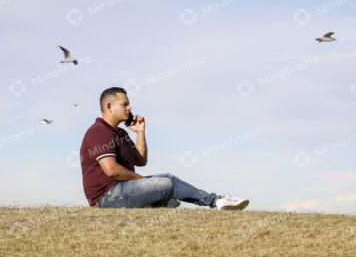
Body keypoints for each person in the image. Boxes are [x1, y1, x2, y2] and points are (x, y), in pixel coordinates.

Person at [80, 87, 249, 210]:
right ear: (109, 106)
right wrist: (140, 180)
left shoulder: (121, 133)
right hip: (106, 198)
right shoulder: (98, 131)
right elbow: (112, 170)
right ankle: (206, 201)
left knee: (168, 179)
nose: (129, 108)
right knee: (165, 185)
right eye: (125, 104)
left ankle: (216, 200)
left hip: (123, 189)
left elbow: (141, 160)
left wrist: (140, 132)